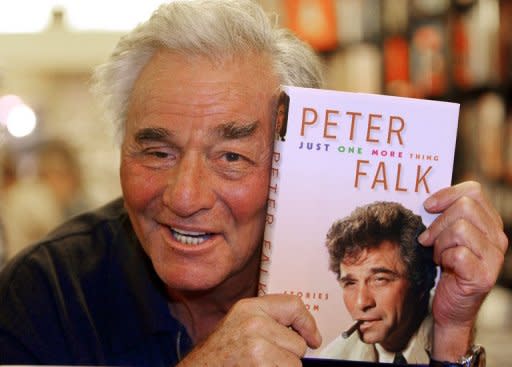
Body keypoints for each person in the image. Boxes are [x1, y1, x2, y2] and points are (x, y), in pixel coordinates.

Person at [0, 1, 507, 366]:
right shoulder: (47, 292)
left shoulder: (350, 283)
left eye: (232, 157)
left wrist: (451, 334)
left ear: (294, 160)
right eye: (157, 152)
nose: (184, 196)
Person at [321, 201, 436, 364]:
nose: (361, 303)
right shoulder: (332, 358)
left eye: (380, 279)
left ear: (420, 282)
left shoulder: (466, 330)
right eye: (350, 283)